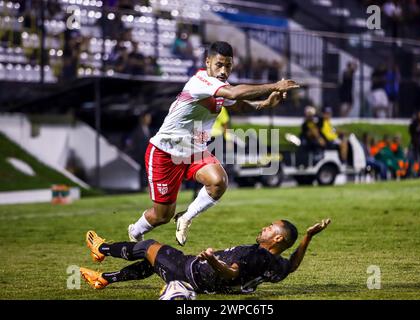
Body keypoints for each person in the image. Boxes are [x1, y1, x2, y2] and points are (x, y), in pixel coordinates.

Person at [127, 41, 299, 246]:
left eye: (228, 65)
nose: (224, 70)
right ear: (207, 62)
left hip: (194, 150)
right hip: (165, 152)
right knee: (162, 216)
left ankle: (186, 217)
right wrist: (274, 85)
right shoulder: (200, 82)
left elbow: (238, 105)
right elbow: (235, 94)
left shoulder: (220, 88)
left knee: (219, 181)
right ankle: (136, 230)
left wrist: (265, 104)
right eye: (219, 64)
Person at [79, 218, 331, 294]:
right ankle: (105, 279)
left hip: (191, 272)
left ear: (277, 239)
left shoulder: (256, 255)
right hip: (200, 280)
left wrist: (211, 260)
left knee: (149, 247)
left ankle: (100, 249)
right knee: (151, 264)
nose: (265, 227)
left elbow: (232, 272)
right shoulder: (275, 264)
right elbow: (293, 267)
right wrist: (309, 236)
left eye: (270, 228)